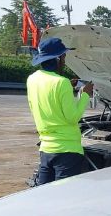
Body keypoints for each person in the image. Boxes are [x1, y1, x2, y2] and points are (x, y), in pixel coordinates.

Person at [26, 37, 94, 185]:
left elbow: (40, 101)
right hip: (67, 151)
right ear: (58, 58)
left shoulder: (32, 79)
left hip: (46, 148)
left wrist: (67, 88)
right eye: (64, 56)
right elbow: (72, 118)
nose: (64, 60)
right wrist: (85, 95)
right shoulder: (61, 83)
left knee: (45, 195)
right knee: (64, 199)